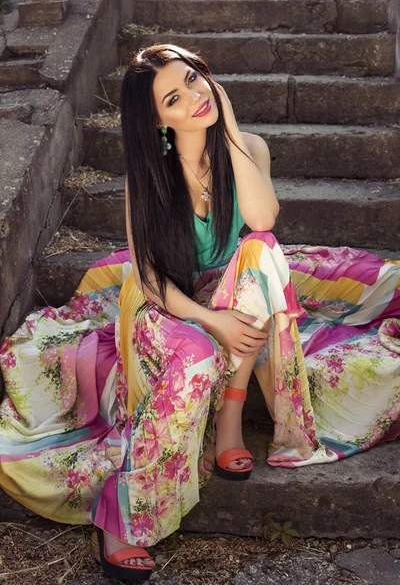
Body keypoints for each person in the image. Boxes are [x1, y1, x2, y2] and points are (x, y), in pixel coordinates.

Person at [0, 44, 399, 583]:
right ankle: (125, 516)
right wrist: (211, 320)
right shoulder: (151, 177)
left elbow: (261, 218)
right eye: (173, 97)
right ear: (157, 120)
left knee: (263, 253)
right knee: (197, 354)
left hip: (230, 288)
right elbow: (148, 278)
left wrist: (230, 125)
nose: (193, 98)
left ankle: (231, 417)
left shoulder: (248, 147)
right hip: (165, 302)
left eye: (194, 80)